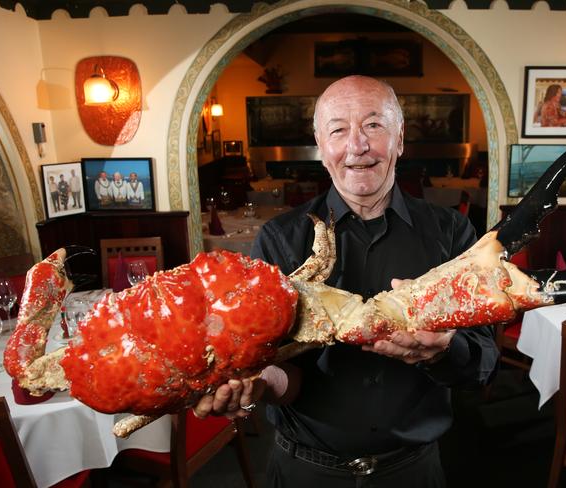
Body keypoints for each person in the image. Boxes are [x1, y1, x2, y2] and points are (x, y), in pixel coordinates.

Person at [194, 76, 499, 488]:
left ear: (400, 139)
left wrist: (443, 350)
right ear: (322, 147)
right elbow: (278, 370)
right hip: (306, 471)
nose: (357, 146)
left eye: (374, 125)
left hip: (414, 471)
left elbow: (483, 363)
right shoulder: (280, 240)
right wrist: (256, 381)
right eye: (338, 130)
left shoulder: (453, 233)